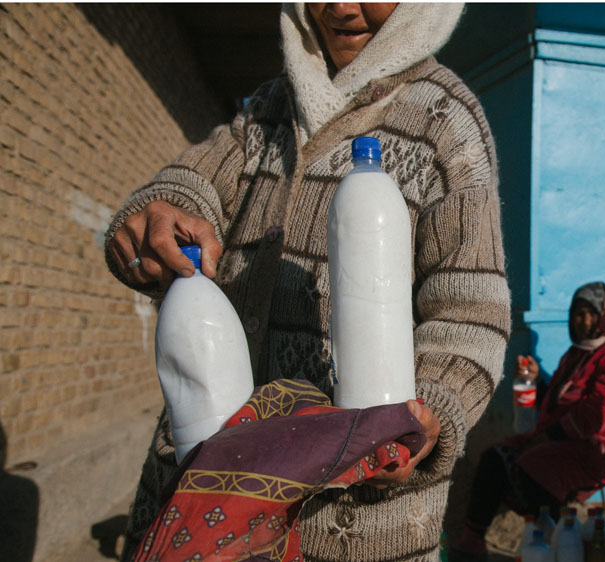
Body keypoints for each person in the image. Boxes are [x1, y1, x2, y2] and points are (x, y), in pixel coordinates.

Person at [104, 3, 511, 561]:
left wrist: (431, 412)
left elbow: (472, 313)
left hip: (351, 513)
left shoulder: (445, 122)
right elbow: (194, 178)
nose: (342, 7)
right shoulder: (271, 108)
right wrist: (162, 212)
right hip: (213, 498)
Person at [453, 282, 605, 560]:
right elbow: (561, 403)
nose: (580, 321)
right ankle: (472, 541)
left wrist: (544, 438)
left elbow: (599, 413)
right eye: (576, 313)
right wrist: (535, 380)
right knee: (496, 457)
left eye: (589, 314)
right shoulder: (578, 353)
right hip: (562, 437)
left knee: (536, 467)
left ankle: (556, 544)